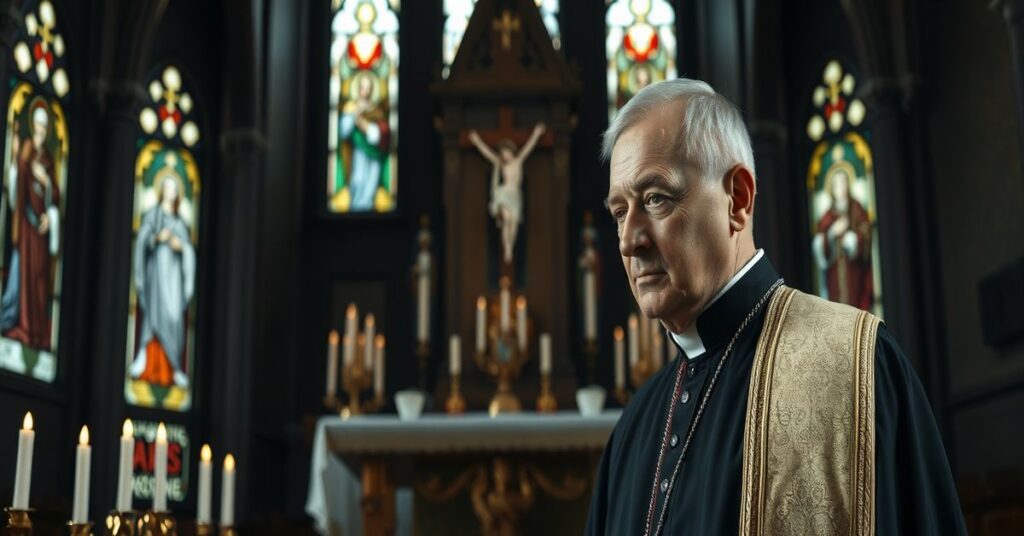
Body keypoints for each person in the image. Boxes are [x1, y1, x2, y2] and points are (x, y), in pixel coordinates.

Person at [586, 78, 965, 535]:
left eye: (656, 199)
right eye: (620, 212)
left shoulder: (856, 368)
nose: (630, 241)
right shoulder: (634, 426)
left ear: (738, 199)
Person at [129, 157, 196, 389]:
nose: (169, 192)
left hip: (174, 281)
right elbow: (143, 240)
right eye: (166, 188)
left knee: (174, 317)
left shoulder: (180, 222)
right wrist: (157, 238)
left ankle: (174, 366)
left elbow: (188, 249)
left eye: (173, 189)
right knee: (153, 314)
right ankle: (145, 358)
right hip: (156, 274)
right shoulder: (153, 216)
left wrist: (181, 247)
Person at [1, 102, 60, 351]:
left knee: (38, 279)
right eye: (38, 124)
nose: (41, 130)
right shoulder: (25, 151)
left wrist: (51, 215)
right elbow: (18, 186)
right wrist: (16, 160)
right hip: (25, 225)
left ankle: (36, 330)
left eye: (45, 126)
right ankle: (21, 325)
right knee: (23, 274)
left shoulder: (47, 159)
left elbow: (55, 193)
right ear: (32, 126)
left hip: (41, 230)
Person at [468, 123, 545, 264]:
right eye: (502, 153)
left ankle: (510, 245)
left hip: (515, 196)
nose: (504, 155)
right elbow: (487, 153)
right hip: (504, 194)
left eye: (506, 152)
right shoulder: (501, 164)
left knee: (514, 222)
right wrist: (477, 140)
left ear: (511, 152)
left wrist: (536, 134)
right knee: (507, 218)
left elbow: (528, 147)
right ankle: (507, 247)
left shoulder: (518, 162)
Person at [812, 160, 874, 310]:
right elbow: (820, 246)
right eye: (837, 184)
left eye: (843, 183)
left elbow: (866, 231)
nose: (841, 187)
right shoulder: (827, 216)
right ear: (832, 189)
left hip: (855, 273)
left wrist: (853, 239)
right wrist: (832, 233)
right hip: (834, 278)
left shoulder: (857, 209)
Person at [338, 72, 390, 212]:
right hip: (358, 153)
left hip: (374, 155)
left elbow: (383, 132)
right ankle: (356, 206)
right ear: (358, 89)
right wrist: (355, 114)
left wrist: (367, 128)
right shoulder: (351, 107)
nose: (365, 91)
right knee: (358, 179)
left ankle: (367, 205)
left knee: (370, 184)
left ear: (372, 90)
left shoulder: (376, 110)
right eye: (362, 87)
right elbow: (343, 131)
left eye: (368, 88)